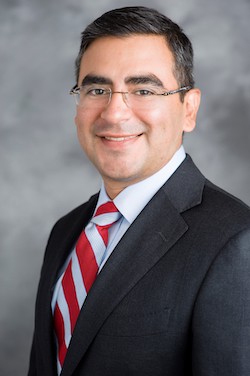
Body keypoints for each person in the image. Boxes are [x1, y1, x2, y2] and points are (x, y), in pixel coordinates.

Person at [28, 6, 250, 376]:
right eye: (97, 89)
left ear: (189, 109)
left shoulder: (236, 242)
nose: (114, 114)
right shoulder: (66, 232)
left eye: (143, 89)